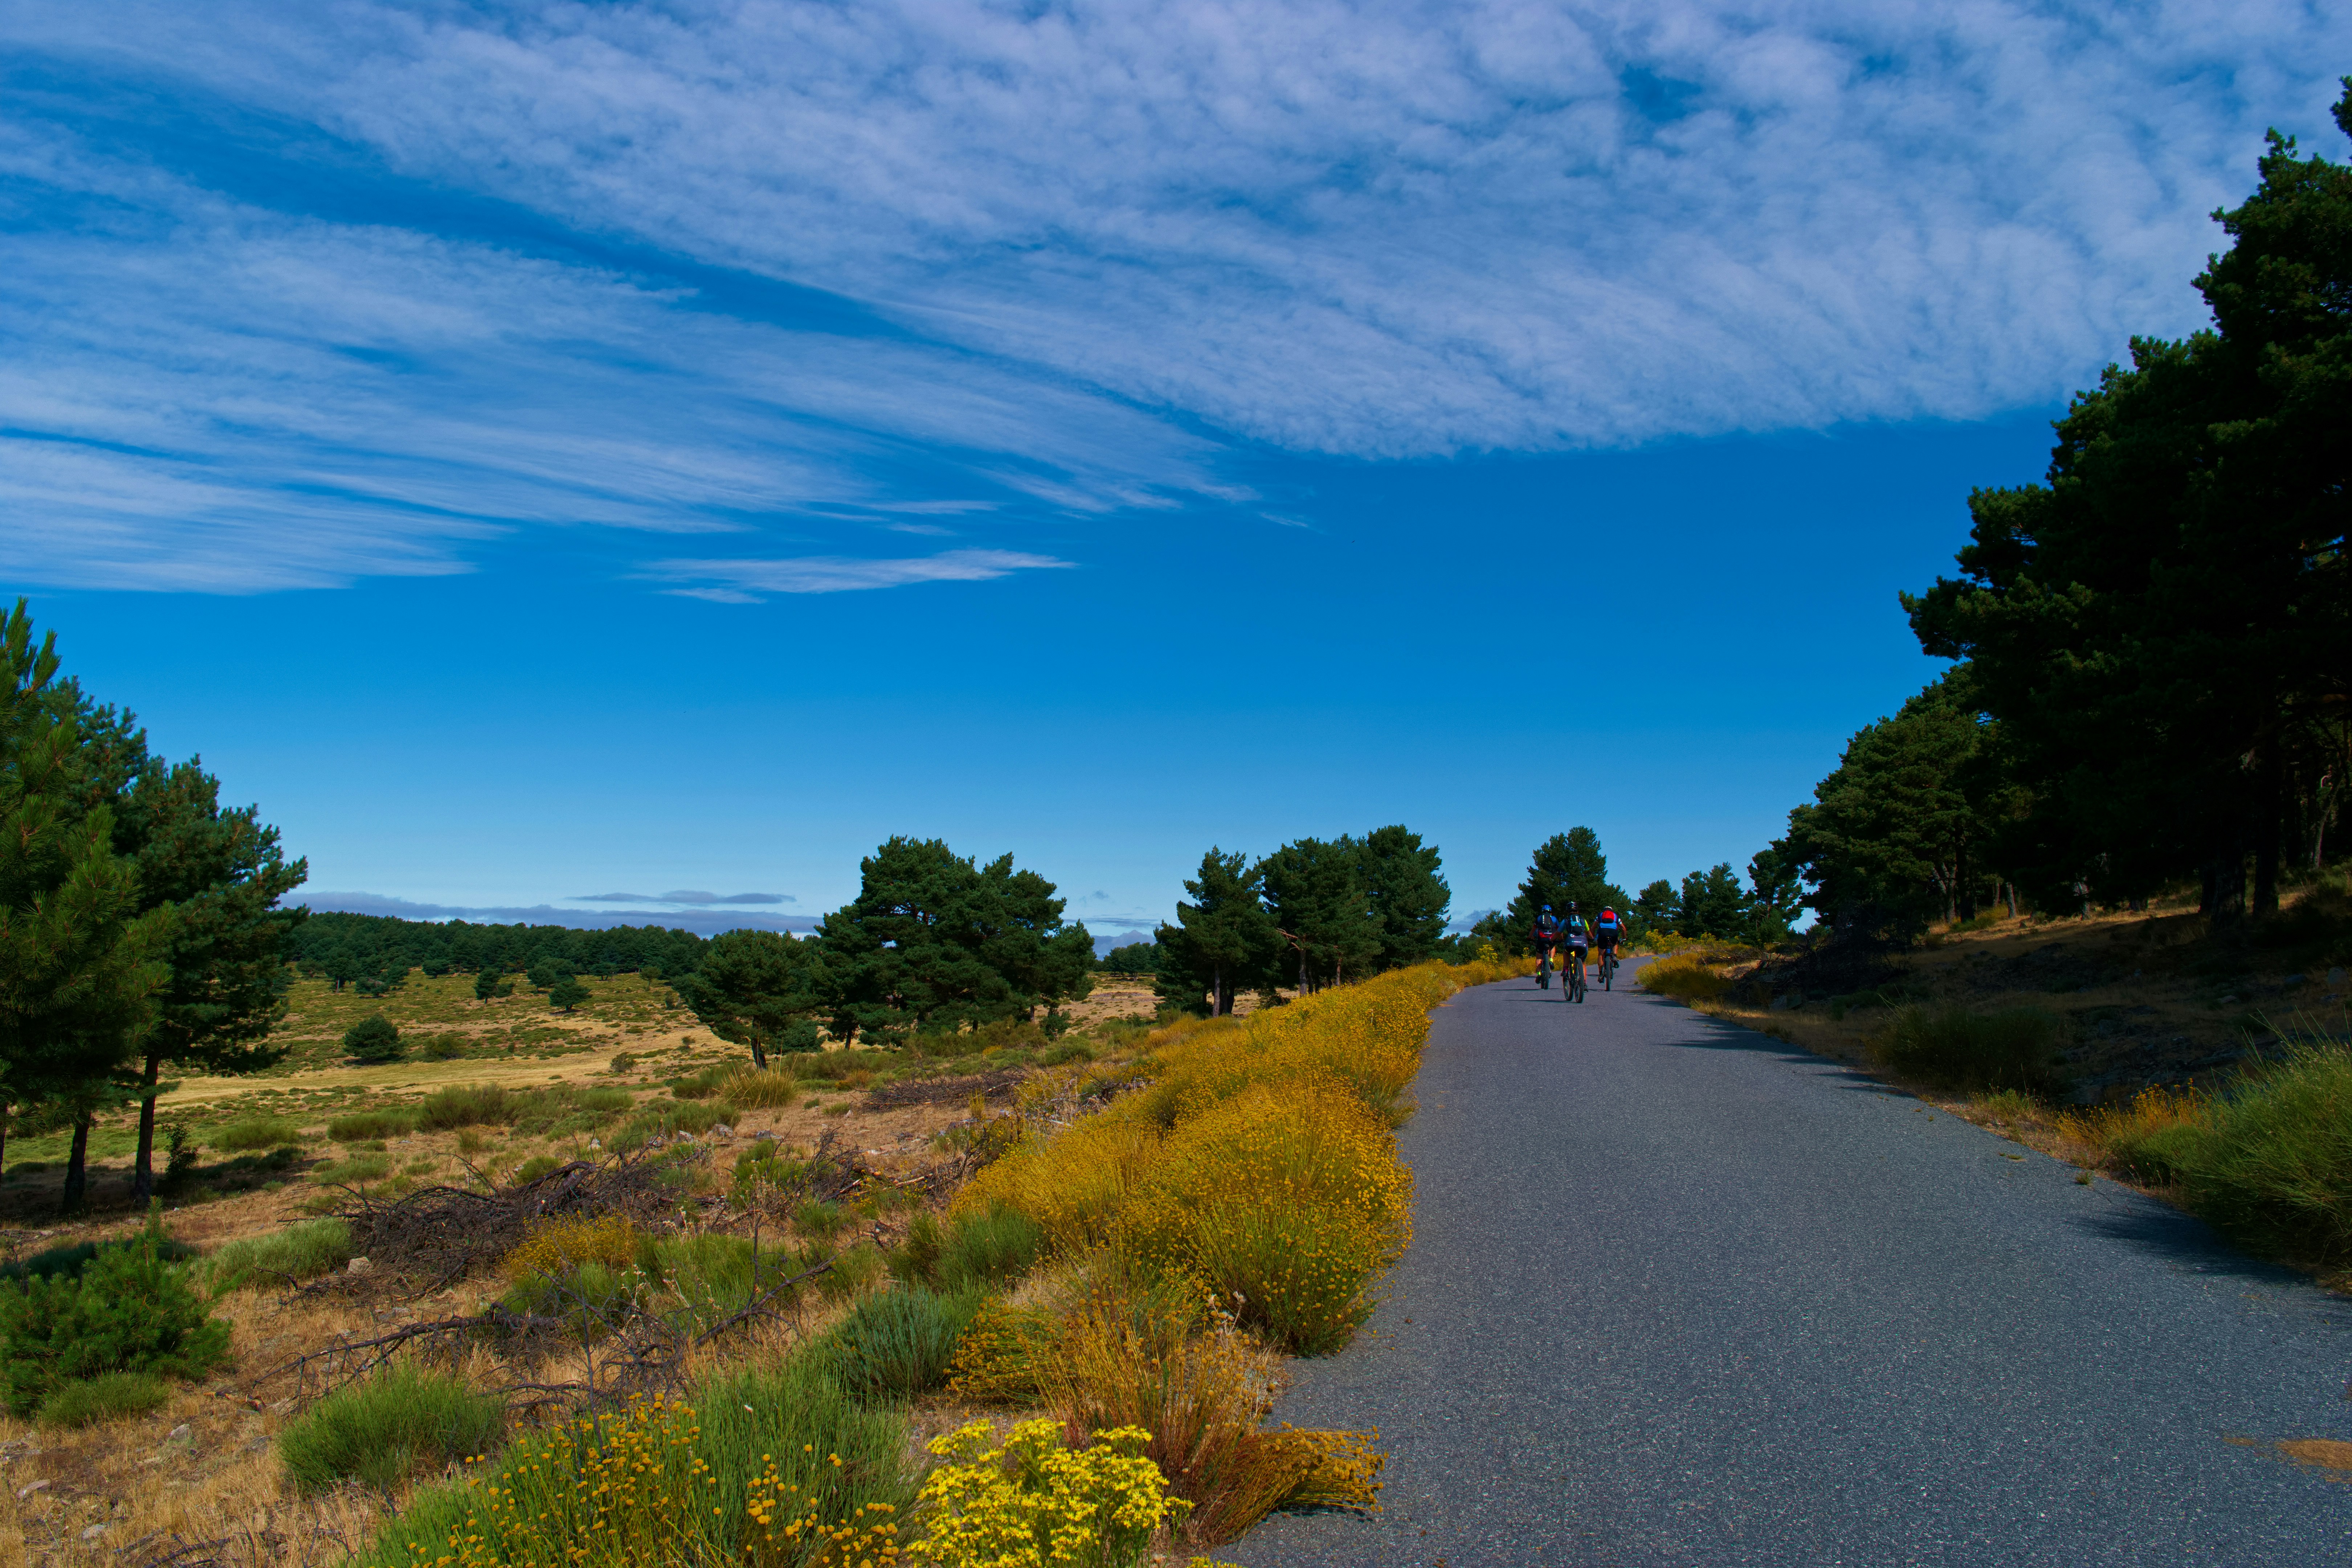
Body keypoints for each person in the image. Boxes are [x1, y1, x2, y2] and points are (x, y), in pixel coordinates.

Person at [1562, 902, 1591, 983]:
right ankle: (1584, 983)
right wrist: (1593, 938)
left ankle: (1566, 969)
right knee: (1583, 962)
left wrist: (1552, 940)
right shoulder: (1583, 920)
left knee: (1566, 951)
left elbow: (1558, 932)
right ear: (1578, 911)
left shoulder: (1566, 920)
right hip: (1582, 943)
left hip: (1571, 942)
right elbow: (1588, 932)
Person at [1594, 905, 1622, 969]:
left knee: (1601, 955)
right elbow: (1624, 929)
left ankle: (1601, 974)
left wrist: (1593, 938)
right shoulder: (1616, 916)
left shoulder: (1600, 915)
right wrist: (1624, 938)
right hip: (1614, 933)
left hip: (1602, 933)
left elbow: (1593, 927)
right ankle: (1615, 956)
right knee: (1615, 943)